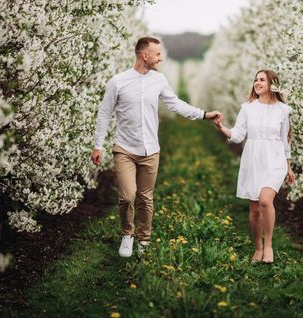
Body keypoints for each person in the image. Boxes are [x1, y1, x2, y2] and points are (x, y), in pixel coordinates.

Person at [91, 37, 222, 258]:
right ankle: (127, 234)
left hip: (151, 149)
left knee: (145, 197)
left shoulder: (159, 80)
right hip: (124, 148)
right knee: (127, 196)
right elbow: (104, 112)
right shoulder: (118, 82)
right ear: (145, 56)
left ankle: (144, 239)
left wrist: (204, 115)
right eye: (158, 54)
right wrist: (98, 145)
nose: (161, 58)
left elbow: (175, 104)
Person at [214, 69, 295, 264]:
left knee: (266, 200)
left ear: (272, 84)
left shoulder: (283, 110)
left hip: (275, 159)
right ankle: (258, 247)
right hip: (253, 159)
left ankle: (269, 247)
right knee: (255, 210)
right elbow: (239, 135)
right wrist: (221, 127)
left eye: (262, 80)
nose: (257, 83)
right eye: (256, 80)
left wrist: (288, 166)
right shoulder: (248, 108)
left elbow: (285, 140)